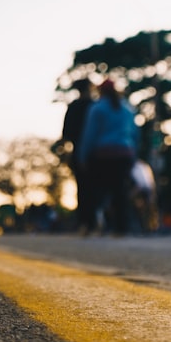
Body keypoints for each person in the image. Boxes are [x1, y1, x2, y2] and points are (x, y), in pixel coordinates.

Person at [77, 78, 140, 236]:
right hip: (125, 153)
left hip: (103, 154)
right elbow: (135, 134)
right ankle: (121, 227)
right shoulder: (127, 109)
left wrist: (83, 156)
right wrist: (134, 154)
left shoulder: (97, 108)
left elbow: (89, 134)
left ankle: (90, 225)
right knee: (121, 191)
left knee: (96, 191)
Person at [58, 78, 94, 232]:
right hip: (96, 151)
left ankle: (84, 222)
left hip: (79, 150)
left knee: (82, 187)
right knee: (97, 188)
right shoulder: (95, 106)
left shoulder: (74, 107)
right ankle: (95, 220)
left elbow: (66, 134)